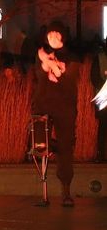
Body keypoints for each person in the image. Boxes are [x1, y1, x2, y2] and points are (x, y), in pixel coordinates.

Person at [31, 21, 80, 207]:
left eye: (56, 35)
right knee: (39, 145)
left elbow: (69, 82)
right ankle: (44, 193)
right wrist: (45, 64)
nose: (52, 38)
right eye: (49, 35)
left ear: (62, 37)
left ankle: (66, 192)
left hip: (65, 109)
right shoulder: (41, 55)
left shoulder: (71, 57)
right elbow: (40, 77)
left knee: (66, 149)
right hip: (43, 105)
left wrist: (55, 66)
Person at [91, 37, 107, 162]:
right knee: (103, 127)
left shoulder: (99, 58)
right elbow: (94, 77)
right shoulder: (99, 58)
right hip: (103, 98)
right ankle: (101, 154)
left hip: (102, 97)